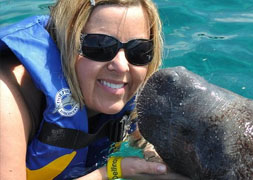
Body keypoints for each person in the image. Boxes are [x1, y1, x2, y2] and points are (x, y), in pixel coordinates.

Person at [0, 0, 177, 179]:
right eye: (100, 46)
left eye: (139, 50)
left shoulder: (129, 86)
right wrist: (111, 171)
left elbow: (142, 139)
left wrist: (157, 161)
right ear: (64, 42)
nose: (122, 66)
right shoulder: (7, 96)